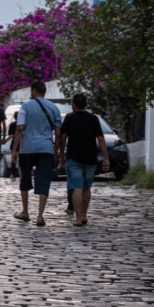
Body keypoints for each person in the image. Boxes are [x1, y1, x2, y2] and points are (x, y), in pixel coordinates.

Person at [11, 81, 62, 227]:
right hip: (46, 148)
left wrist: (15, 150)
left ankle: (25, 211)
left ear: (33, 91)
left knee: (25, 178)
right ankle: (40, 215)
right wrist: (56, 151)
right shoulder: (54, 108)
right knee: (44, 179)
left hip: (27, 148)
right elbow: (58, 132)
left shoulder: (25, 106)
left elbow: (20, 128)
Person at [59, 93, 109, 226]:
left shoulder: (69, 118)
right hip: (90, 157)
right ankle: (84, 215)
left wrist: (61, 154)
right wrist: (106, 158)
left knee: (77, 186)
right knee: (86, 187)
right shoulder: (93, 118)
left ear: (73, 105)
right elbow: (100, 138)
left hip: (74, 157)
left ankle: (78, 217)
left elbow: (63, 137)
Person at [3, 111, 19, 178]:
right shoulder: (24, 124)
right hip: (23, 143)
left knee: (14, 158)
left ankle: (13, 174)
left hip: (14, 143)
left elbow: (11, 135)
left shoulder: (12, 124)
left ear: (14, 117)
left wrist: (6, 140)